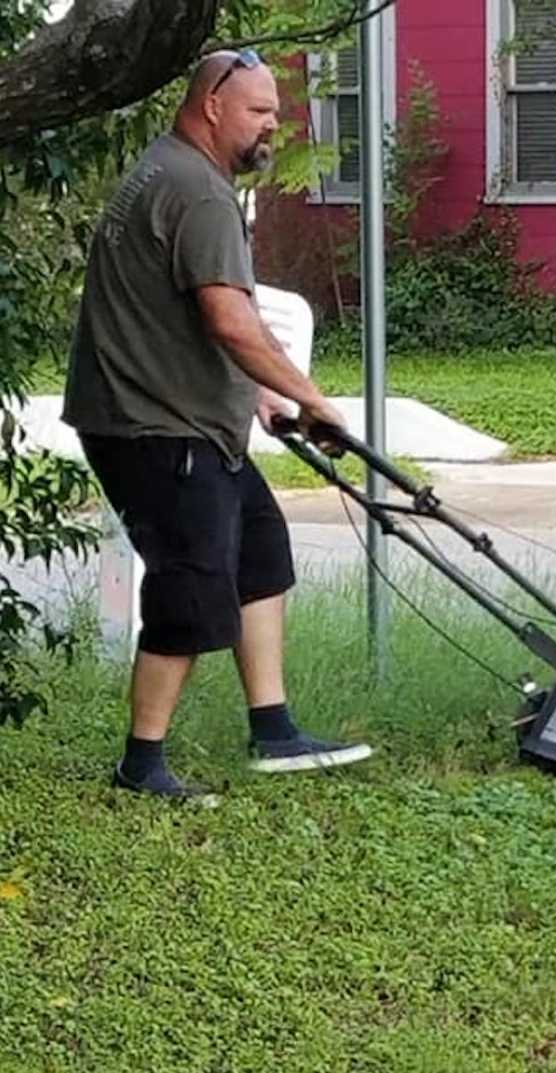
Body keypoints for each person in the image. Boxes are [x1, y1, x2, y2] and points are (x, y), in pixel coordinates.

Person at [62, 49, 372, 797]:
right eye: (260, 111)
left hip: (179, 416)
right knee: (192, 588)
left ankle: (274, 728)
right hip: (154, 425)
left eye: (275, 111)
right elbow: (230, 321)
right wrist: (310, 397)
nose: (274, 125)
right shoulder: (198, 192)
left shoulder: (166, 170)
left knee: (260, 552)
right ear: (212, 108)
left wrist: (257, 396)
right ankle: (142, 764)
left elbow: (168, 312)